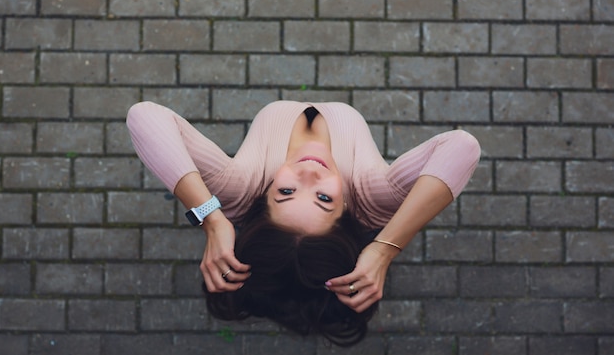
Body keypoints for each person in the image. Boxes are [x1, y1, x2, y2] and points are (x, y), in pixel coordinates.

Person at [126, 100, 480, 346]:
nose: (309, 172)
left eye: (285, 191)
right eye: (324, 198)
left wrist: (213, 219)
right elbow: (462, 146)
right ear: (347, 211)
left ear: (262, 197)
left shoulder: (241, 189)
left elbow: (144, 116)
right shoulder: (370, 197)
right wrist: (384, 249)